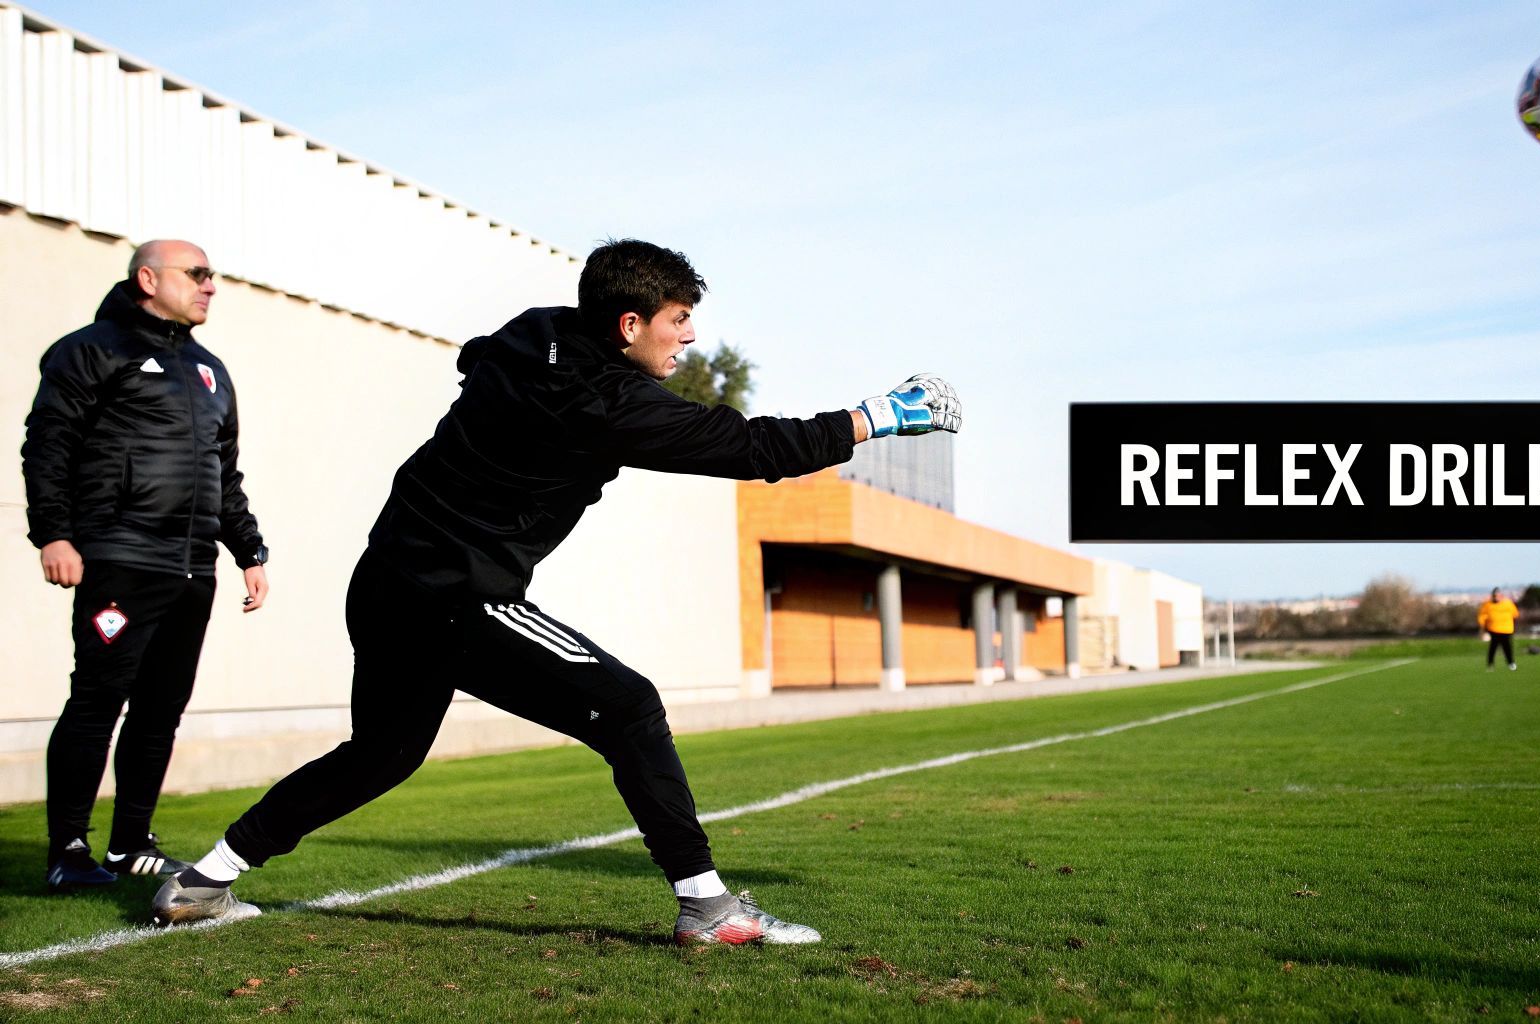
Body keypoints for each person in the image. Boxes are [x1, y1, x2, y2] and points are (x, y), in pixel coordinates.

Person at [151, 239, 960, 945]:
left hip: (386, 580)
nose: (689, 335)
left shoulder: (537, 331)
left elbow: (481, 354)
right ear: (629, 325)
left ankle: (203, 881)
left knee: (380, 756)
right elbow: (750, 448)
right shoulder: (602, 403)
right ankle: (708, 910)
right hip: (457, 594)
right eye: (678, 319)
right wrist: (879, 415)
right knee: (632, 708)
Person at [22, 240, 271, 892]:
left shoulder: (209, 369)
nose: (210, 285)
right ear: (148, 278)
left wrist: (247, 549)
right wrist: (55, 534)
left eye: (213, 275)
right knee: (99, 698)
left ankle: (131, 844)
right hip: (120, 556)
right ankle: (69, 850)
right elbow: (48, 445)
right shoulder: (92, 348)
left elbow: (224, 472)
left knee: (161, 709)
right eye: (198, 274)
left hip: (191, 568)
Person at [1477, 588, 1519, 671]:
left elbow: (1515, 614)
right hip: (1493, 629)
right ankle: (1490, 664)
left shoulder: (1508, 603)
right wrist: (1483, 626)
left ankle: (1511, 663)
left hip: (1506, 629)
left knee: (1507, 647)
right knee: (1493, 647)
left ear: (1501, 596)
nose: (1496, 597)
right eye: (1494, 596)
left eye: (1498, 595)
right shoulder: (1487, 604)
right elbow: (1482, 616)